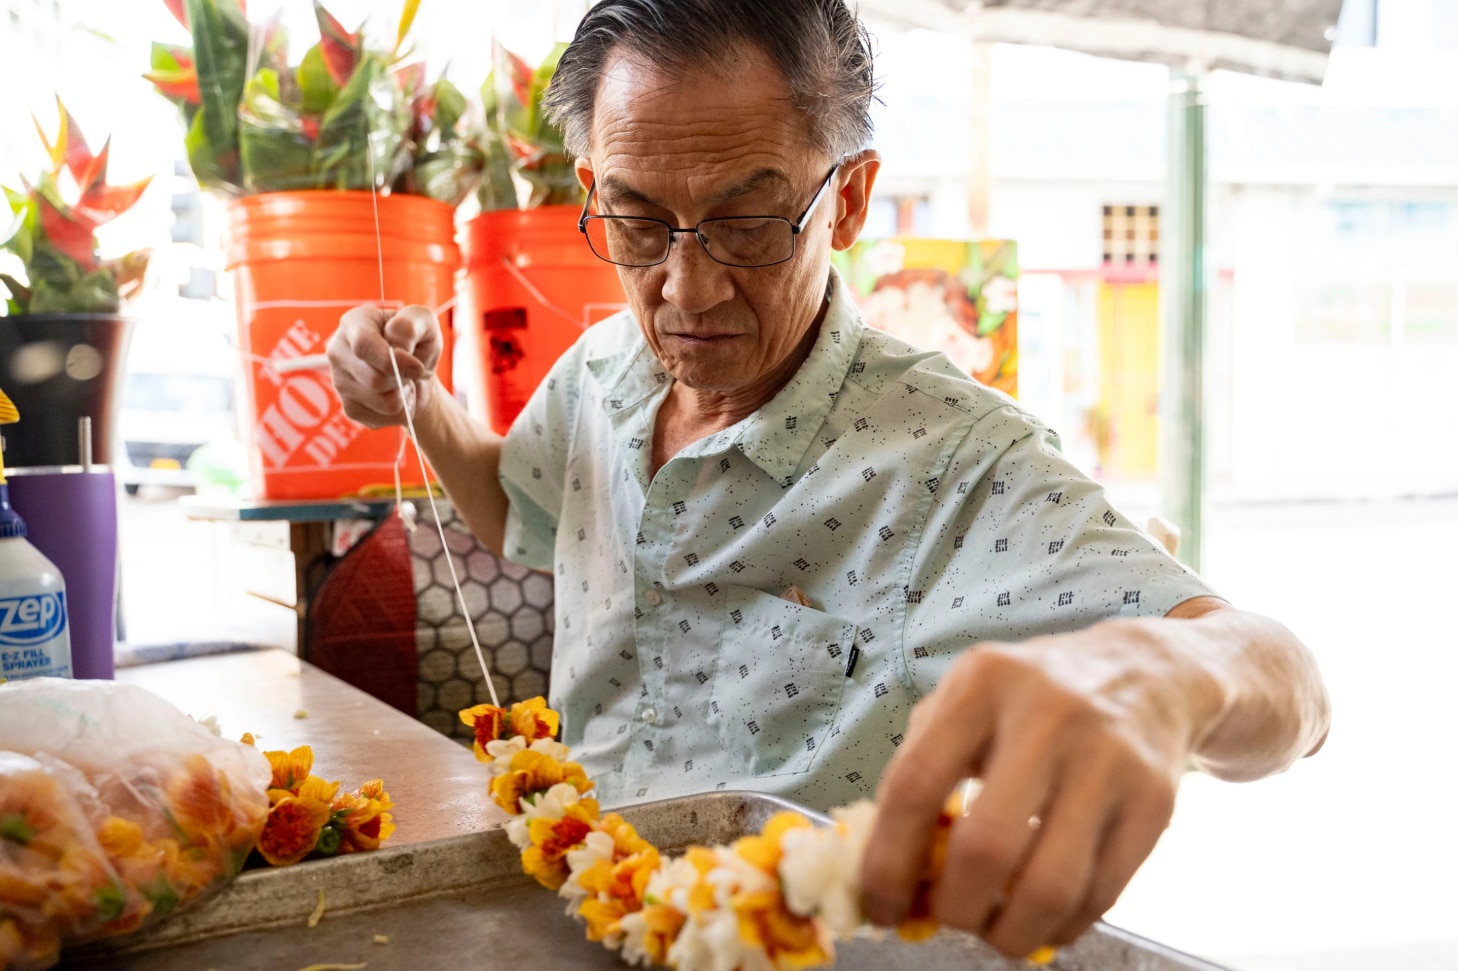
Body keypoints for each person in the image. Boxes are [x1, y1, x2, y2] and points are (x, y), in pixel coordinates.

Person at [327, 0, 1330, 959]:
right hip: (569, 916)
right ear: (593, 189)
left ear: (845, 197)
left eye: (749, 221)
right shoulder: (601, 370)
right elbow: (518, 501)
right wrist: (416, 396)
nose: (687, 287)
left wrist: (1165, 679)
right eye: (637, 221)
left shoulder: (948, 460)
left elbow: (1289, 685)